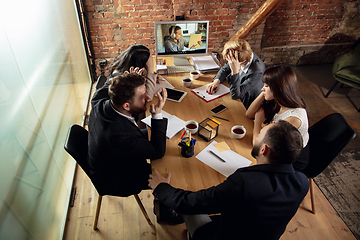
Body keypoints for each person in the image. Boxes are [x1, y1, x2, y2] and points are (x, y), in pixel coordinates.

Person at [148, 120, 309, 240]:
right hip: (255, 231)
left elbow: (191, 203)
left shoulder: (243, 183)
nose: (257, 135)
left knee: (189, 209)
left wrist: (161, 187)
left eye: (260, 134)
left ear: (263, 149)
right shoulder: (302, 182)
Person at [88, 73, 168, 197]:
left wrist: (129, 76)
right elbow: (157, 151)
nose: (147, 97)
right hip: (118, 178)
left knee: (163, 137)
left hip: (111, 154)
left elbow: (112, 78)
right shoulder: (121, 137)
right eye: (142, 96)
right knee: (170, 173)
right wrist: (157, 114)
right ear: (126, 106)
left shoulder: (98, 99)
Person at [246, 65, 309, 171]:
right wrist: (265, 93)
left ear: (279, 89)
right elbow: (249, 114)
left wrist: (257, 123)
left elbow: (258, 147)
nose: (262, 89)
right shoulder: (279, 100)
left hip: (292, 161)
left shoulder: (293, 119)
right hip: (277, 149)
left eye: (266, 86)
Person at [206, 39, 266, 109]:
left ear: (244, 61)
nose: (229, 62)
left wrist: (235, 71)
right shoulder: (240, 54)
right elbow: (225, 69)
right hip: (236, 91)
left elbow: (236, 95)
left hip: (247, 103)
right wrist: (216, 81)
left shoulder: (257, 71)